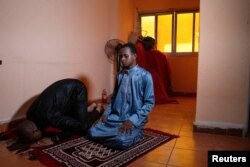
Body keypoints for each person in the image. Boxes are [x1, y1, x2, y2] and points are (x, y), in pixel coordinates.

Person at [88, 43, 155, 150]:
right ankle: (117, 134)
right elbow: (114, 98)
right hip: (116, 117)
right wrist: (105, 113)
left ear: (134, 56)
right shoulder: (119, 75)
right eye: (120, 56)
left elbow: (149, 103)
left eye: (126, 56)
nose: (122, 59)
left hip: (133, 119)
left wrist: (132, 120)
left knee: (122, 141)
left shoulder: (145, 76)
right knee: (92, 131)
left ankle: (137, 133)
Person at [17, 79, 102, 143]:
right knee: (73, 120)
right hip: (65, 96)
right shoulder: (29, 114)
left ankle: (98, 109)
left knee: (84, 127)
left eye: (35, 139)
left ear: (35, 132)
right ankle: (85, 109)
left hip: (77, 89)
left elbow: (77, 126)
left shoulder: (50, 117)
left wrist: (62, 136)